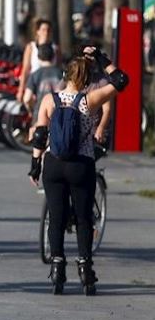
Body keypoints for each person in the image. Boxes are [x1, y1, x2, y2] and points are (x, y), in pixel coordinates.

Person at [27, 46, 128, 295]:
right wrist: (102, 59)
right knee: (84, 218)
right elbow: (121, 80)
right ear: (85, 79)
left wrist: (35, 166)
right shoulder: (90, 100)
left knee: (57, 218)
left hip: (53, 164)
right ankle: (85, 270)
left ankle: (58, 268)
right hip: (81, 164)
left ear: (66, 75)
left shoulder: (50, 99)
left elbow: (40, 136)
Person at [17, 18, 59, 104]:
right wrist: (21, 90)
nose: (46, 33)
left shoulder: (56, 49)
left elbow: (58, 68)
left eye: (48, 30)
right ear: (38, 31)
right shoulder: (31, 47)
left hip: (50, 87)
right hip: (34, 85)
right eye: (43, 30)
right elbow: (25, 69)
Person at [23, 43, 64, 113]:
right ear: (54, 56)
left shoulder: (34, 75)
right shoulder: (61, 73)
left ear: (38, 57)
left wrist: (31, 110)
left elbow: (27, 99)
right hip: (58, 114)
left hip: (39, 114)